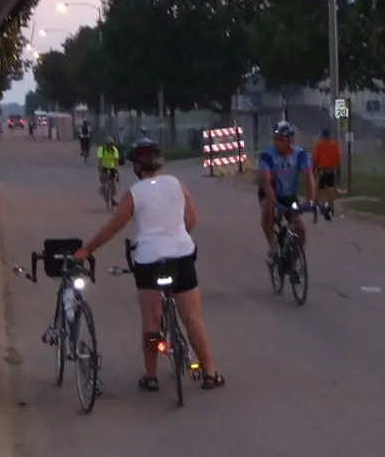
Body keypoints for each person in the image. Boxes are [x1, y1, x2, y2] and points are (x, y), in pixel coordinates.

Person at [73, 138, 224, 391]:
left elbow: (114, 226)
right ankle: (210, 374)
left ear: (136, 167)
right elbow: (192, 219)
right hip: (181, 256)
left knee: (151, 320)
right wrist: (175, 235)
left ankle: (151, 376)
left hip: (148, 261)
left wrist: (86, 249)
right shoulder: (176, 184)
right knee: (192, 318)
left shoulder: (134, 193)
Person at [257, 121, 316, 267]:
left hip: (289, 196)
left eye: (281, 140)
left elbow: (309, 177)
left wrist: (310, 201)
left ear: (290, 141)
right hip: (269, 192)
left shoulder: (300, 155)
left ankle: (291, 262)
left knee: (300, 230)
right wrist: (273, 201)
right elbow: (265, 180)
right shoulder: (267, 155)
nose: (277, 143)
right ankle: (272, 247)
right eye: (276, 139)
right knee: (268, 209)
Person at [310, 127, 341, 220]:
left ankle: (323, 206)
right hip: (331, 171)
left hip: (322, 171)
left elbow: (315, 160)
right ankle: (331, 207)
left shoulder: (319, 145)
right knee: (331, 190)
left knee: (320, 190)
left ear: (322, 136)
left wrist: (313, 171)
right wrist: (338, 172)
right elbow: (337, 160)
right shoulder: (334, 145)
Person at [96, 136, 119, 202]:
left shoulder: (115, 150)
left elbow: (116, 160)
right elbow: (100, 159)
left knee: (112, 181)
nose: (109, 146)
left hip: (112, 167)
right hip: (103, 166)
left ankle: (113, 196)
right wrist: (100, 167)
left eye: (111, 145)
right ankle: (103, 190)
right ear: (105, 144)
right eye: (108, 145)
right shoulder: (101, 149)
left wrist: (116, 168)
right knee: (103, 179)